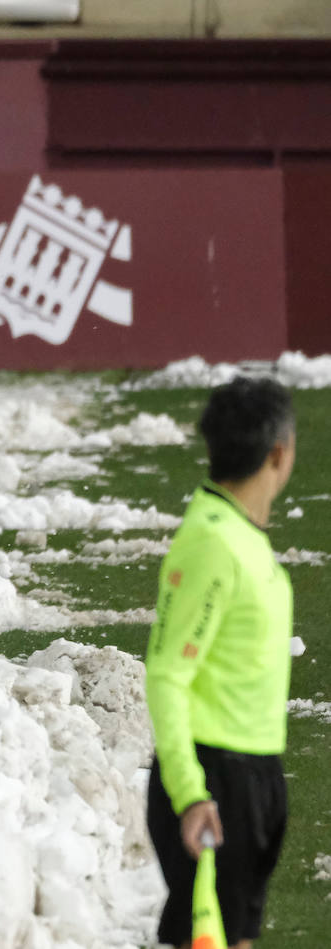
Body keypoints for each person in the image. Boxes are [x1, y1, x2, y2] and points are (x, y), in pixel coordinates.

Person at [145, 376, 297, 949]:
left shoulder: (240, 534)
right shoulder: (212, 543)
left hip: (251, 772)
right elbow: (166, 673)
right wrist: (192, 794)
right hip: (216, 781)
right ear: (278, 453)